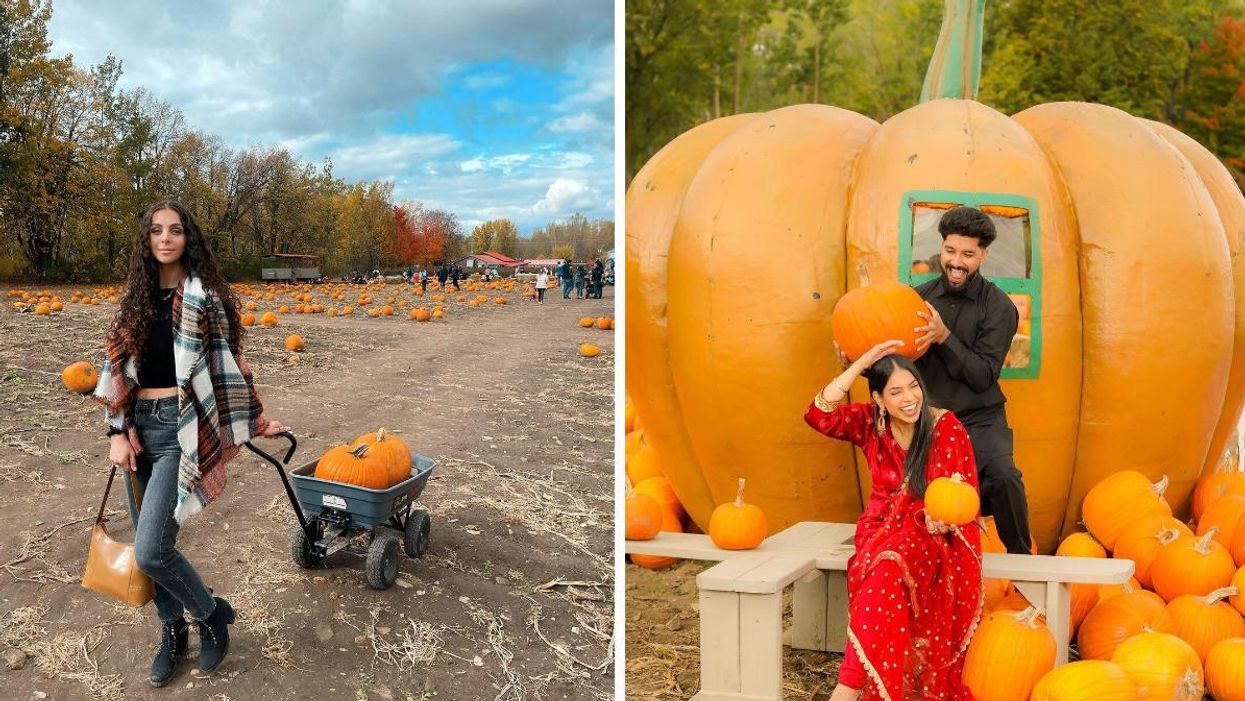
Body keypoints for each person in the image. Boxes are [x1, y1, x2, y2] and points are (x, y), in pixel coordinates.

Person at [95, 201, 289, 687]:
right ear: (147, 240)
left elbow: (229, 365)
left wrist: (256, 417)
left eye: (175, 230)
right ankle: (172, 632)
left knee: (151, 550)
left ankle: (210, 614)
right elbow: (116, 368)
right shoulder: (133, 302)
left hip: (180, 430)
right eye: (156, 231)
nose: (165, 238)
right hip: (139, 429)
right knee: (151, 543)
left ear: (188, 239)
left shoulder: (204, 298)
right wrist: (116, 430)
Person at [807, 340, 982, 701]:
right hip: (877, 530)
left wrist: (943, 522)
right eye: (896, 391)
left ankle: (848, 685)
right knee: (882, 564)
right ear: (878, 399)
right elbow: (818, 415)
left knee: (887, 567)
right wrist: (860, 365)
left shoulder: (945, 427)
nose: (909, 398)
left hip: (927, 534)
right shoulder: (870, 424)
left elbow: (960, 499)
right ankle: (854, 683)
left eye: (914, 386)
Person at [912, 205, 1031, 555]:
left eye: (968, 254)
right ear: (942, 247)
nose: (956, 262)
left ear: (983, 255)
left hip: (980, 417)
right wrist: (860, 358)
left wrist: (944, 336)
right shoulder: (917, 299)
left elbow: (982, 376)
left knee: (1005, 479)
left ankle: (1023, 564)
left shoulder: (999, 308)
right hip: (930, 419)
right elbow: (899, 366)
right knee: (920, 495)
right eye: (950, 251)